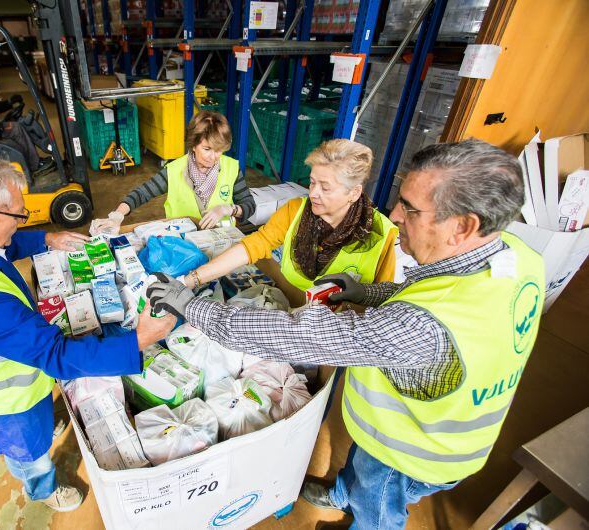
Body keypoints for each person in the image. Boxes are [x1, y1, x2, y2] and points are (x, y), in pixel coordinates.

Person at [146, 139, 545, 529]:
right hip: (412, 426)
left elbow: (299, 334)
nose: (396, 214)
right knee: (360, 472)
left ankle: (361, 510)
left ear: (463, 226)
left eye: (410, 208)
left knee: (378, 512)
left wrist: (192, 306)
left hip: (410, 452)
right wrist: (368, 293)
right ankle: (343, 492)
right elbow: (430, 296)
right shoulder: (517, 255)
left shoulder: (418, 320)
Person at [0, 155, 175, 512]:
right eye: (19, 216)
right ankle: (42, 490)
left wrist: (46, 238)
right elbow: (58, 356)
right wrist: (139, 340)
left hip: (17, 375)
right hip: (1, 400)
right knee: (30, 452)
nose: (22, 222)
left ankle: (42, 436)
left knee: (38, 425)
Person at [182, 139, 398, 292]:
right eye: (312, 182)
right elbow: (251, 247)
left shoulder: (380, 233)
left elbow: (381, 297)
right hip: (293, 311)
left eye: (325, 187)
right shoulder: (296, 211)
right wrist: (192, 279)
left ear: (354, 192)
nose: (313, 193)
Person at [92, 110, 256, 231]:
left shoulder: (231, 168)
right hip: (183, 242)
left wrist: (228, 209)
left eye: (219, 150)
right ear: (193, 144)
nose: (214, 156)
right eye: (207, 149)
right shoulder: (174, 170)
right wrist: (117, 215)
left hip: (222, 239)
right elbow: (141, 194)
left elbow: (249, 205)